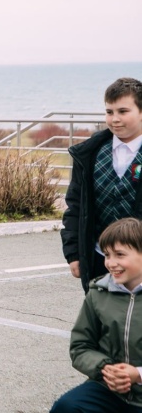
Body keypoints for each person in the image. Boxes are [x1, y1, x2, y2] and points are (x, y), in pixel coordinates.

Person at [50, 217, 142, 413]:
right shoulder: (98, 293)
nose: (111, 263)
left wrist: (137, 374)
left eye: (120, 255)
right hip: (110, 388)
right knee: (66, 409)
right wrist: (105, 369)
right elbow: (81, 346)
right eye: (107, 255)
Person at [62, 77, 142, 292]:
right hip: (100, 259)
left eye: (123, 111)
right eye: (109, 112)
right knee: (100, 313)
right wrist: (74, 253)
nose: (114, 119)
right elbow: (75, 206)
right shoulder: (89, 153)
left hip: (140, 261)